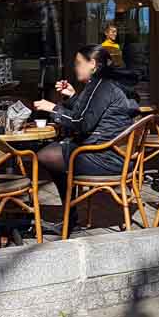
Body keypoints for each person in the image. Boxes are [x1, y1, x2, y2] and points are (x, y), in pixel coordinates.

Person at [33, 45, 138, 232]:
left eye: (79, 63)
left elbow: (81, 123)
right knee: (54, 152)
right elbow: (90, 114)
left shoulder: (101, 86)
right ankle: (69, 214)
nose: (76, 67)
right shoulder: (104, 84)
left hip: (106, 157)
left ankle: (69, 215)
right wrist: (73, 97)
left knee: (46, 155)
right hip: (117, 155)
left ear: (93, 64)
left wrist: (53, 108)